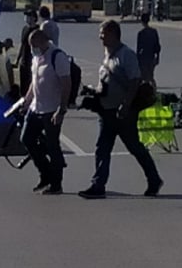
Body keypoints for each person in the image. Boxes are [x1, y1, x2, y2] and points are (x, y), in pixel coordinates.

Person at [78, 19, 163, 200]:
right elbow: (106, 83)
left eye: (103, 33)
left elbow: (134, 81)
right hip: (106, 111)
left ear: (113, 34)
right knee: (102, 148)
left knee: (135, 148)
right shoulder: (107, 56)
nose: (100, 37)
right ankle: (98, 185)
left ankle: (154, 180)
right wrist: (93, 92)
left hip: (123, 112)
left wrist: (126, 104)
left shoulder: (126, 55)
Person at [20, 27, 72, 195]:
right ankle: (45, 173)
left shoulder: (57, 56)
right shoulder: (37, 57)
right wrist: (26, 102)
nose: (32, 49)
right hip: (36, 107)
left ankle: (56, 183)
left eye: (34, 45)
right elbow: (34, 83)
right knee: (26, 138)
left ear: (43, 41)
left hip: (52, 109)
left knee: (52, 145)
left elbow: (66, 84)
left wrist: (61, 109)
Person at [15, 9, 39, 95]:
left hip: (32, 61)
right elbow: (22, 44)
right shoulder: (25, 29)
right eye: (26, 16)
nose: (26, 18)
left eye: (29, 16)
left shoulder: (37, 30)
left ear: (33, 18)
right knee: (23, 85)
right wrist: (18, 59)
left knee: (31, 84)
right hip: (24, 61)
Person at [135, 12, 161, 83]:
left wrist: (137, 59)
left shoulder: (141, 33)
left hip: (143, 58)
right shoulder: (154, 32)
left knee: (143, 77)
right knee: (150, 76)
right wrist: (158, 57)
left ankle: (147, 91)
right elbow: (157, 46)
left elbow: (139, 48)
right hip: (151, 57)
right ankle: (153, 90)